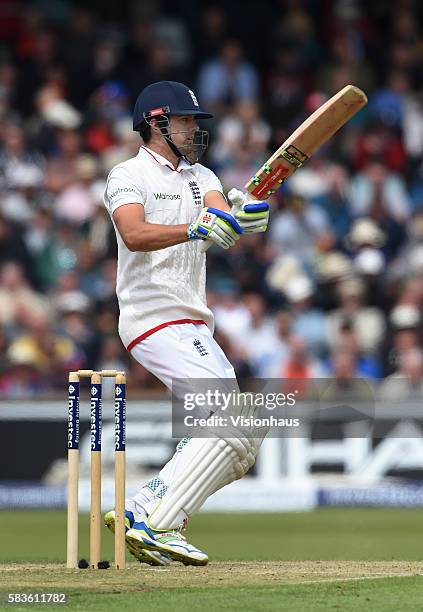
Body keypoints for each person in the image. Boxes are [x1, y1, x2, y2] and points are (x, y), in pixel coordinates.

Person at [102, 81, 270, 567]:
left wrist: (246, 217)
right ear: (156, 123)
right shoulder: (126, 174)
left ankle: (147, 511)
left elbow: (222, 218)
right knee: (229, 415)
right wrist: (193, 227)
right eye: (187, 121)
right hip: (151, 315)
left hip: (193, 321)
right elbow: (133, 233)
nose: (197, 130)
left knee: (244, 434)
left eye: (198, 122)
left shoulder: (204, 175)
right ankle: (154, 519)